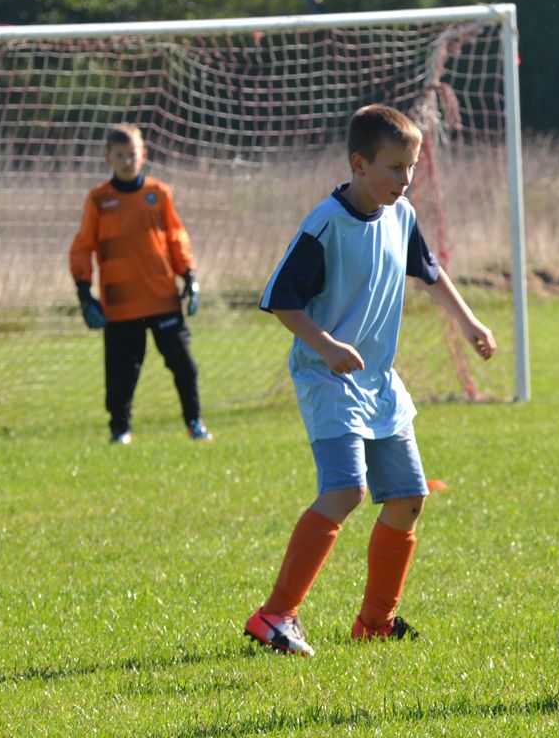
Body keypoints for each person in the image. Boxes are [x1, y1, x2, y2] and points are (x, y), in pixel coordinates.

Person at [244, 104, 496, 656]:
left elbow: (430, 273)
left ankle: (376, 622)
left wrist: (469, 322)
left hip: (379, 382)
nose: (406, 179)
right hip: (327, 377)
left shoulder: (400, 214)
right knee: (345, 490)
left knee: (407, 498)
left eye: (412, 167)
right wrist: (328, 346)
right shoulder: (325, 225)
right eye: (394, 167)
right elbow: (280, 299)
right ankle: (275, 615)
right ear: (359, 164)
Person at [69, 123, 212, 445]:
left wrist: (189, 276)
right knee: (121, 373)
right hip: (120, 305)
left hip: (162, 299)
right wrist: (84, 293)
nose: (126, 161)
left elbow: (176, 238)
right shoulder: (98, 199)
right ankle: (120, 430)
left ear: (143, 155)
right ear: (108, 158)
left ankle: (195, 422)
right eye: (119, 155)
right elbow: (82, 247)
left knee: (185, 366)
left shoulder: (158, 194)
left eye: (132, 154)